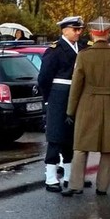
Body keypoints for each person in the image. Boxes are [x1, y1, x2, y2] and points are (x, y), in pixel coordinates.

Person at [63, 17, 110, 196]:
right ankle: (102, 187)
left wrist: (71, 110)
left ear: (92, 34)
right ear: (108, 34)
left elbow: (76, 85)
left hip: (87, 103)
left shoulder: (84, 55)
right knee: (108, 148)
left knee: (81, 146)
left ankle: (75, 185)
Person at [38, 16, 86, 193]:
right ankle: (51, 177)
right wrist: (48, 98)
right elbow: (43, 78)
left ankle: (69, 176)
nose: (78, 32)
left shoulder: (82, 48)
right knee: (56, 136)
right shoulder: (55, 50)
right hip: (59, 95)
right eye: (75, 29)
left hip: (78, 95)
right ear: (64, 30)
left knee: (72, 136)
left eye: (80, 29)